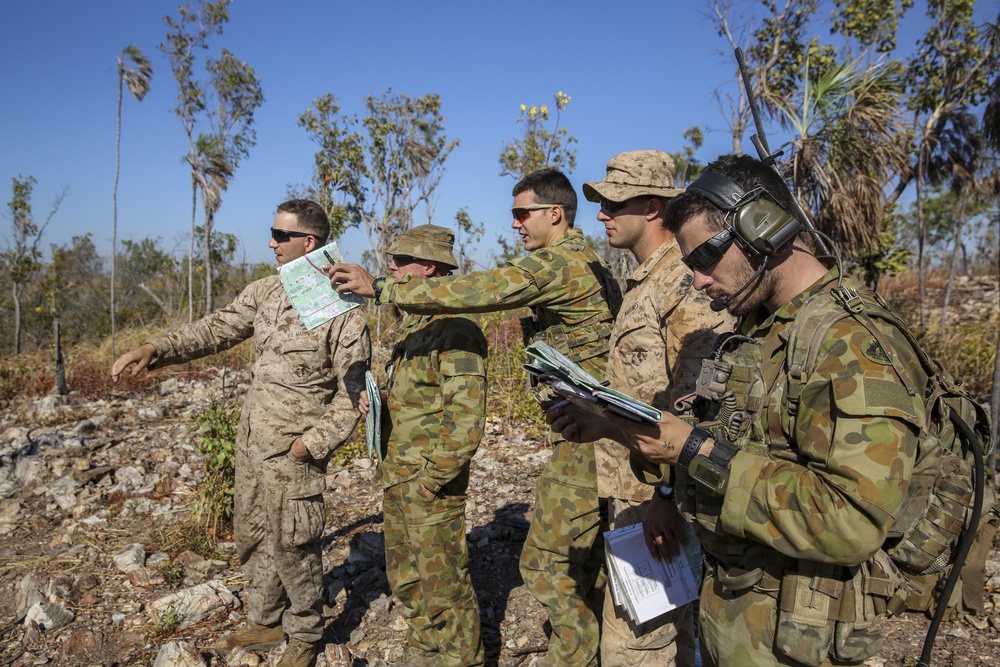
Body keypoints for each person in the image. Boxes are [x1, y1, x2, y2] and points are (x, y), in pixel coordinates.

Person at [546, 154, 926, 667]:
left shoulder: (848, 344)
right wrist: (617, 428)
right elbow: (725, 437)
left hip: (796, 637)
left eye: (704, 258)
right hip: (740, 617)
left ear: (762, 229)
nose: (699, 282)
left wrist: (694, 448)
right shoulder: (763, 329)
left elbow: (853, 520)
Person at [328, 168, 622, 667]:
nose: (514, 225)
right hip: (586, 429)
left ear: (555, 213)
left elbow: (485, 291)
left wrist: (380, 288)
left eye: (521, 213)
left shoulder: (561, 264)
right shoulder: (583, 264)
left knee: (547, 564)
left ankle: (575, 655)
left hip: (594, 435)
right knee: (582, 560)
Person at [111, 199, 371, 667]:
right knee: (253, 534)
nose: (270, 242)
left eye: (279, 234)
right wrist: (156, 347)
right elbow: (216, 329)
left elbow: (355, 391)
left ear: (308, 242)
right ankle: (267, 620)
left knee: (295, 543)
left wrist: (308, 445)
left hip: (293, 453)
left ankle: (306, 635)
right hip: (252, 443)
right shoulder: (267, 292)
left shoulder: (342, 308)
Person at [581, 150, 732, 667]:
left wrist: (666, 491)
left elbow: (698, 402)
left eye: (612, 202)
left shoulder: (684, 283)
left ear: (651, 207)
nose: (601, 213)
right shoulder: (645, 280)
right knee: (677, 633)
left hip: (659, 497)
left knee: (632, 646)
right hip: (640, 491)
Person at [361, 225, 488, 667]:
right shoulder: (413, 325)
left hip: (429, 482)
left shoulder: (456, 329)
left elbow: (466, 416)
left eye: (400, 262)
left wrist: (434, 480)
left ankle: (460, 658)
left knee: (445, 585)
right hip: (397, 473)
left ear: (428, 268)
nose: (391, 268)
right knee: (406, 575)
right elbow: (418, 397)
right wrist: (375, 399)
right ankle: (425, 646)